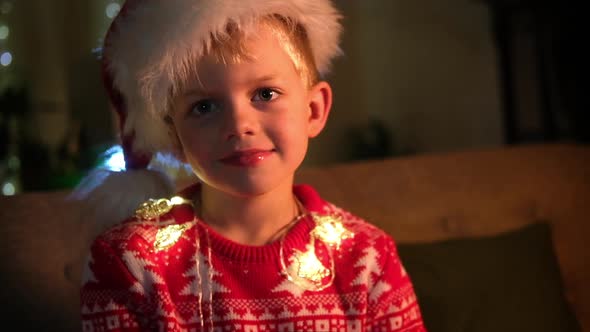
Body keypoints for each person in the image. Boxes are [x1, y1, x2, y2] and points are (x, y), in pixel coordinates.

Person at [77, 0, 427, 331]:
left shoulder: (367, 259)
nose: (239, 125)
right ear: (174, 136)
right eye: (204, 107)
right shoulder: (131, 262)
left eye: (265, 94)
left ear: (314, 110)